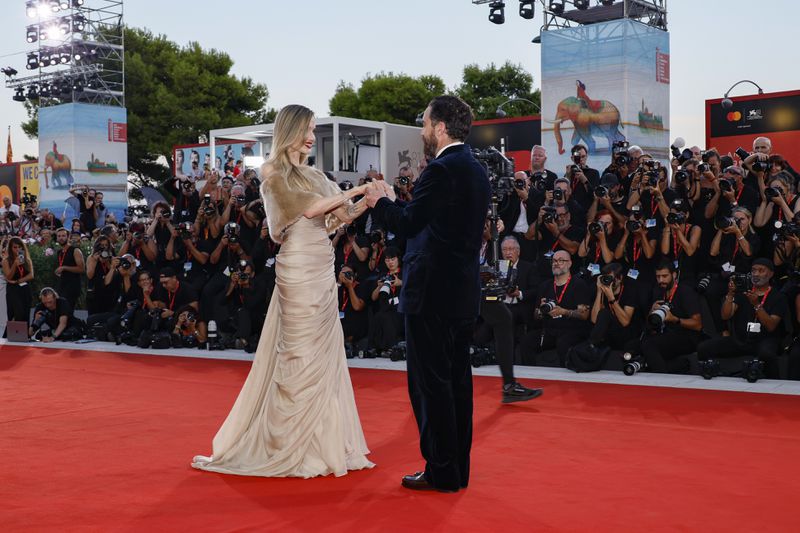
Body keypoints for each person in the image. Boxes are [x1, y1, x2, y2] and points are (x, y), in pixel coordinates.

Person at [193, 104, 374, 479]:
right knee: (298, 352)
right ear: (289, 130)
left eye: (313, 130)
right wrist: (354, 188)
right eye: (306, 130)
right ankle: (286, 443)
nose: (311, 137)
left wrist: (367, 201)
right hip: (297, 269)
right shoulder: (272, 171)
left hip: (323, 268)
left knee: (324, 355)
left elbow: (338, 218)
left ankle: (320, 443)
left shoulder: (316, 174)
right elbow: (307, 211)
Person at [365, 95, 495, 493]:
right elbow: (435, 223)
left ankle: (441, 470)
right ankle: (456, 471)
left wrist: (380, 201)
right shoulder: (475, 169)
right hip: (460, 294)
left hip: (432, 295)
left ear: (440, 127)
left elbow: (407, 222)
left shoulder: (443, 169)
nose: (422, 131)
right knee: (457, 383)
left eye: (424, 123)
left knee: (430, 385)